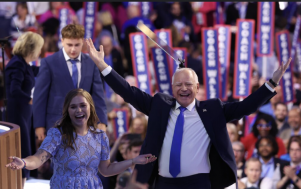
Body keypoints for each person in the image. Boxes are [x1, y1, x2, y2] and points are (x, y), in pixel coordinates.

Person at [85, 38, 292, 189]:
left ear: (198, 87)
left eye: (188, 84)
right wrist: (102, 64)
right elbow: (127, 92)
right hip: (163, 183)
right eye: (179, 85)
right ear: (172, 88)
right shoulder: (159, 105)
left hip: (199, 183)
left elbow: (246, 107)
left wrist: (271, 83)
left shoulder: (213, 109)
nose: (184, 88)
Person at [6, 89, 157, 188]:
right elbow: (38, 159)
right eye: (73, 107)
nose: (79, 110)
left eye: (83, 105)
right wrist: (24, 162)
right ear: (67, 111)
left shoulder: (100, 136)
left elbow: (106, 170)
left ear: (90, 107)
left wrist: (133, 161)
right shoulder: (57, 134)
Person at [33, 24, 108, 143]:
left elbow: (98, 95)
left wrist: (102, 121)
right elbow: (40, 96)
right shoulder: (49, 62)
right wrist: (39, 125)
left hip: (85, 125)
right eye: (69, 45)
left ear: (82, 42)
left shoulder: (91, 63)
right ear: (62, 41)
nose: (73, 49)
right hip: (56, 124)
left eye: (77, 45)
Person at [5, 31, 44, 187]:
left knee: (26, 148)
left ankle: (22, 184)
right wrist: (31, 100)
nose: (40, 52)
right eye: (39, 48)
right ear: (32, 49)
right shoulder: (17, 63)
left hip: (25, 114)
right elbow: (14, 90)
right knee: (22, 149)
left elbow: (39, 71)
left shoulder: (25, 64)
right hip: (17, 114)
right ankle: (19, 185)